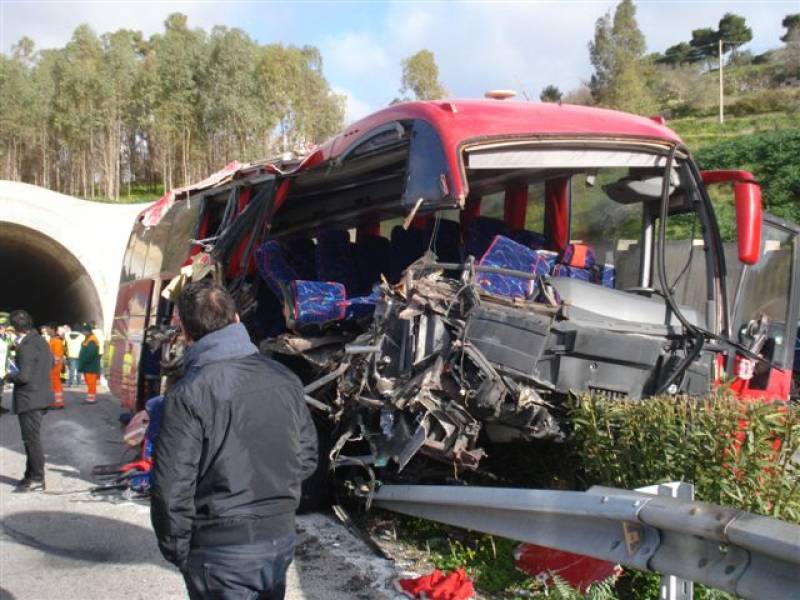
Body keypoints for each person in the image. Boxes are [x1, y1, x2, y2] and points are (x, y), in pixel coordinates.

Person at [150, 280, 318, 600]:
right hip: (279, 541)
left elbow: (171, 487)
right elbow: (307, 457)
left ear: (185, 333)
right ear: (237, 319)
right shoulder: (285, 378)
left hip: (219, 553)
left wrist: (179, 552)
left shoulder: (187, 393)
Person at [5, 310, 53, 492]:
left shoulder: (26, 346)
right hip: (41, 395)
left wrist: (9, 376)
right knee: (30, 439)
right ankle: (29, 475)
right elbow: (51, 363)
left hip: (30, 399)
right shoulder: (40, 341)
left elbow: (23, 377)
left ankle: (38, 479)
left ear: (15, 327)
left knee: (31, 441)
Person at [77, 323, 101, 404]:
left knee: (91, 383)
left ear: (87, 331)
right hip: (88, 366)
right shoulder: (88, 338)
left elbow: (90, 354)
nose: (82, 333)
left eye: (83, 331)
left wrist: (84, 361)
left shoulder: (92, 340)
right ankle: (90, 398)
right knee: (89, 382)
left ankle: (91, 399)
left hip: (90, 366)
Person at [46, 324, 66, 409]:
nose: (46, 331)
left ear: (53, 329)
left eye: (48, 329)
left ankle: (58, 403)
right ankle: (57, 402)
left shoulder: (56, 340)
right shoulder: (53, 339)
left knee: (56, 384)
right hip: (54, 365)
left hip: (55, 366)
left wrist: (53, 364)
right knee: (55, 384)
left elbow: (57, 356)